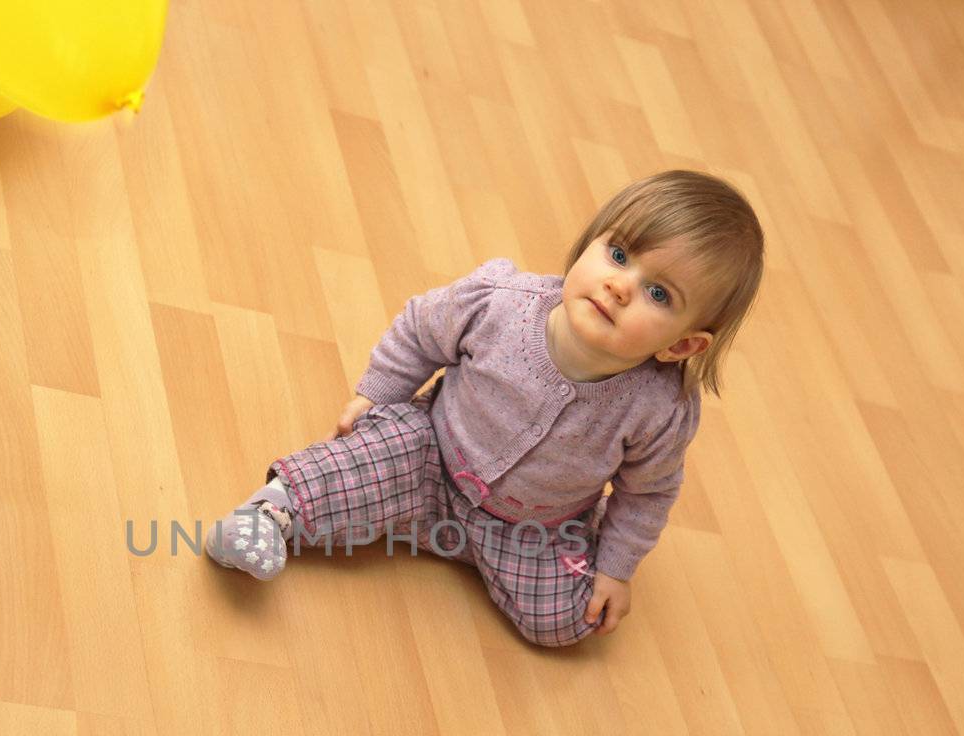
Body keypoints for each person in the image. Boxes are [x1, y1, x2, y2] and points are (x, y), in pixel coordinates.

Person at [205, 170, 764, 647]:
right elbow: (421, 332)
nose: (620, 286)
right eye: (618, 255)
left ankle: (447, 539)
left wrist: (616, 570)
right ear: (591, 242)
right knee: (366, 455)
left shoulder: (657, 412)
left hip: (532, 527)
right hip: (430, 456)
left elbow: (648, 493)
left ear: (683, 346)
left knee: (569, 620)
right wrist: (378, 394)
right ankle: (267, 516)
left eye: (658, 294)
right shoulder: (501, 306)